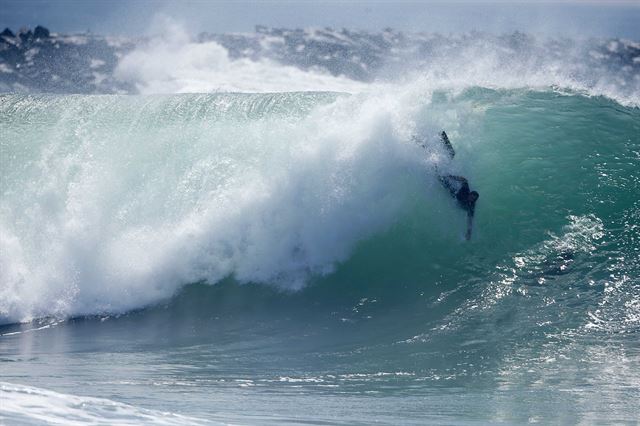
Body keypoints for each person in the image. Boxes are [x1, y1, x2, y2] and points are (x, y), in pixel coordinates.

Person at [437, 131, 479, 240]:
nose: (471, 199)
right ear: (470, 194)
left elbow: (469, 220)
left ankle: (430, 154)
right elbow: (464, 180)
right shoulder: (466, 189)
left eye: (473, 199)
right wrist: (450, 176)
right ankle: (442, 136)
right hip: (454, 190)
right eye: (471, 196)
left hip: (453, 195)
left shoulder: (471, 206)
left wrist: (469, 232)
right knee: (451, 154)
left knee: (438, 175)